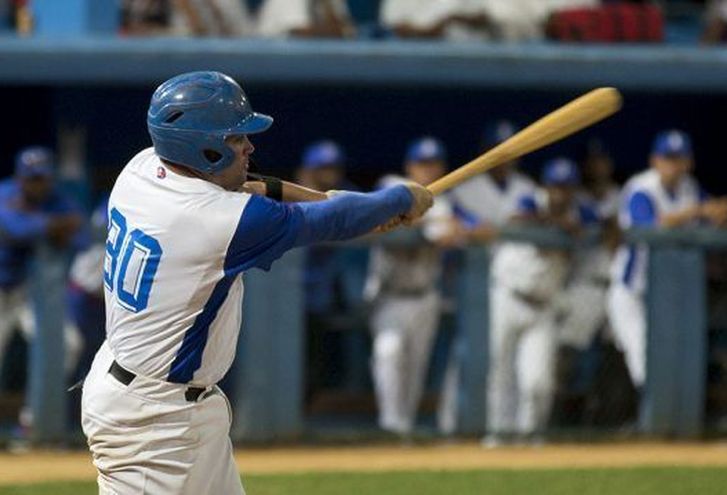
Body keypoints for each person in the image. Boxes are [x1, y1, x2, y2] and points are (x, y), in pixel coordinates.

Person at [80, 71, 433, 495]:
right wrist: (398, 198)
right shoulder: (217, 221)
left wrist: (337, 202)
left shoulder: (143, 166)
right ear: (203, 149)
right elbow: (328, 221)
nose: (249, 146)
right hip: (152, 423)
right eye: (234, 138)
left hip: (161, 400)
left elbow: (254, 189)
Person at [486, 157, 598, 446]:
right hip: (509, 296)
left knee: (538, 382)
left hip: (544, 306)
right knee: (499, 373)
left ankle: (530, 440)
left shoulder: (581, 211)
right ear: (545, 186)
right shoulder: (528, 201)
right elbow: (514, 221)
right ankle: (498, 436)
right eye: (555, 187)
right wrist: (558, 225)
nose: (560, 194)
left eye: (566, 188)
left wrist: (579, 228)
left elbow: (605, 225)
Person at [608, 130, 727, 392]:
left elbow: (715, 214)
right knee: (647, 365)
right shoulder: (640, 188)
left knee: (675, 368)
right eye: (668, 158)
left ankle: (664, 431)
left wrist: (718, 210)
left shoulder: (690, 188)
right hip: (632, 294)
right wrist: (697, 211)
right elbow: (651, 229)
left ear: (689, 161)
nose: (673, 165)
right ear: (655, 160)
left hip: (666, 296)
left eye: (679, 158)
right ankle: (653, 430)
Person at [437, 120, 536, 435]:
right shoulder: (466, 187)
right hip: (475, 284)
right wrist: (470, 224)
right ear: (486, 152)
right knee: (466, 354)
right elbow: (450, 218)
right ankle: (451, 427)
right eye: (499, 150)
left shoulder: (528, 189)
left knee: (516, 364)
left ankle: (512, 431)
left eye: (511, 150)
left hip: (517, 282)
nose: (506, 157)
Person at [365, 137, 460, 437]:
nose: (427, 170)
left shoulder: (443, 201)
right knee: (388, 353)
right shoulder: (393, 185)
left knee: (416, 369)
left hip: (424, 296)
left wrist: (429, 220)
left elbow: (454, 234)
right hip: (389, 295)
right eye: (422, 163)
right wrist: (423, 219)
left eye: (433, 164)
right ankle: (391, 425)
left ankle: (402, 428)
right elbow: (378, 209)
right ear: (410, 166)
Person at [0, 146, 85, 432]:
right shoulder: (5, 193)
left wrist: (41, 222)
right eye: (31, 179)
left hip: (27, 294)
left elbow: (80, 232)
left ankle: (31, 420)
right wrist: (53, 226)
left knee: (68, 344)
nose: (37, 185)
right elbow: (14, 230)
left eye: (42, 179)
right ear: (20, 177)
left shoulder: (56, 199)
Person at [257, 0, 355, 38]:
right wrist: (336, 30)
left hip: (300, 67)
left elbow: (348, 30)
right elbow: (299, 33)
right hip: (263, 68)